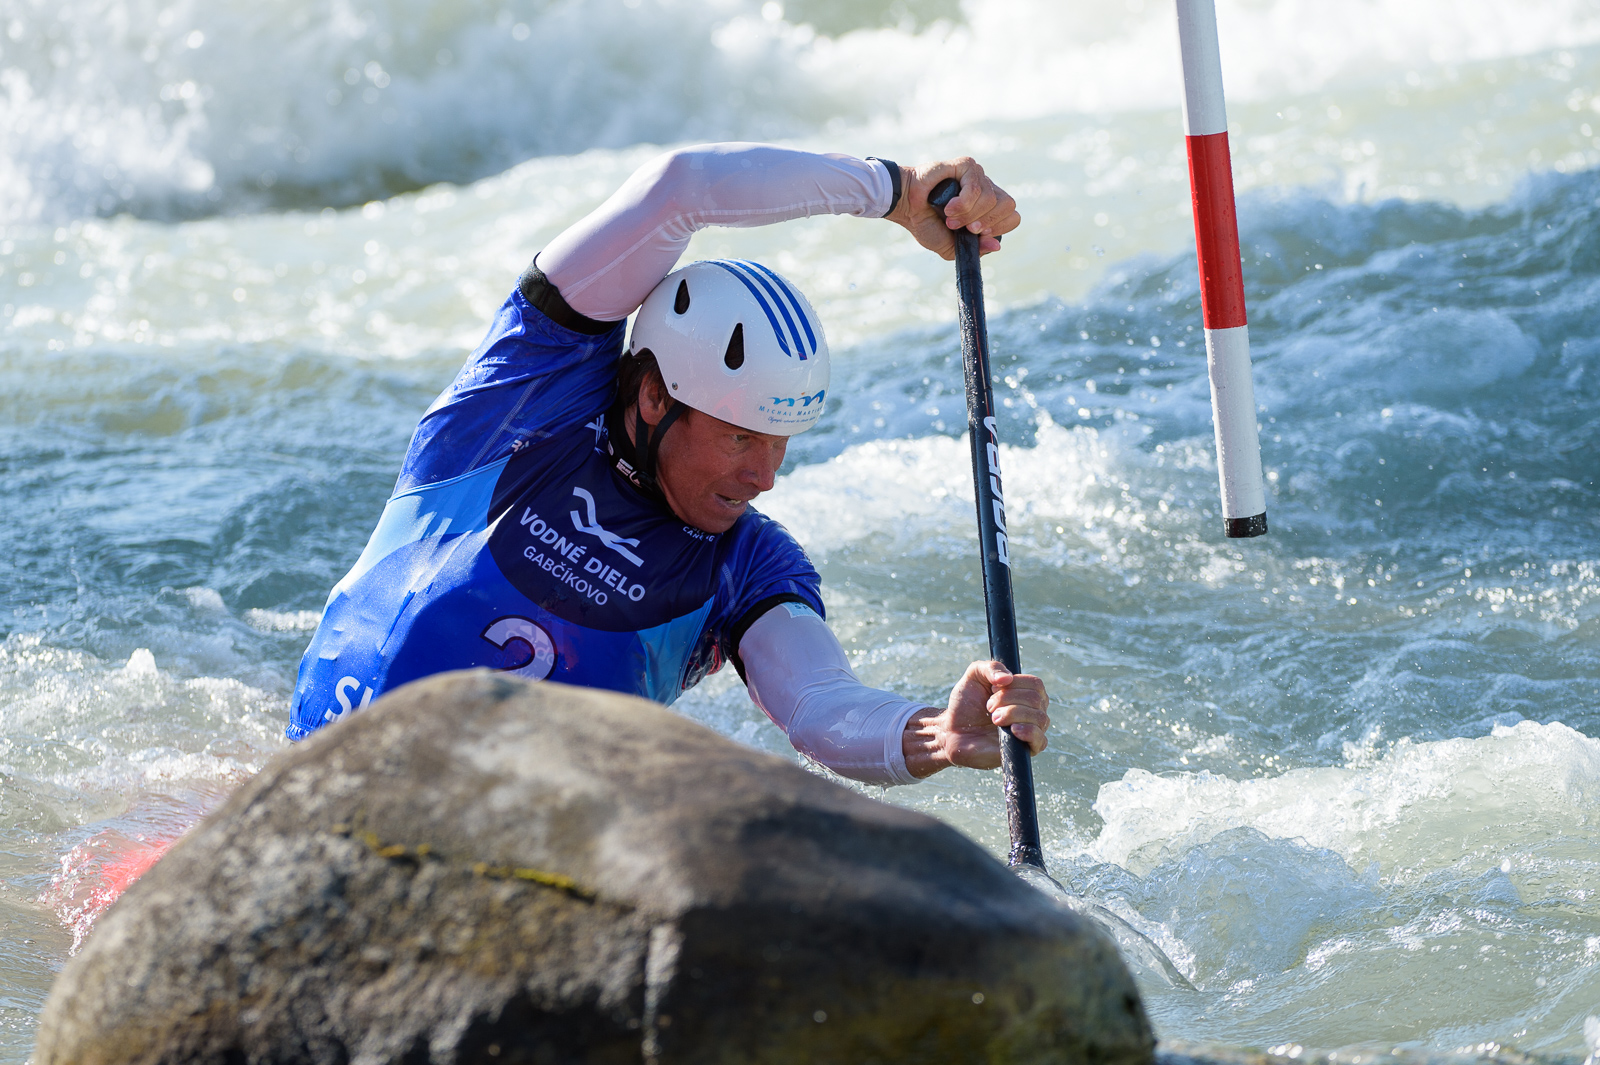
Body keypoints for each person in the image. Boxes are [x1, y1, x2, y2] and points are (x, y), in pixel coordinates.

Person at [286, 143, 1049, 786]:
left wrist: (933, 735)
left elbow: (820, 704)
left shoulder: (747, 563)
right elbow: (680, 189)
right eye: (741, 438)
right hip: (303, 789)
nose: (765, 478)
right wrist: (896, 192)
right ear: (653, 396)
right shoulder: (519, 398)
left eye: (781, 443)